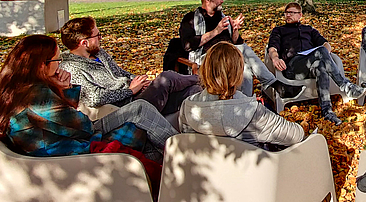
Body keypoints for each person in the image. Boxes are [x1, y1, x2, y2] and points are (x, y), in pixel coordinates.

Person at [0, 35, 178, 163]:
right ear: (42, 65)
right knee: (140, 119)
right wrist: (64, 88)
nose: (59, 65)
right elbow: (84, 127)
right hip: (71, 155)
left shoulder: (16, 89)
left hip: (65, 144)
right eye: (57, 60)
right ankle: (182, 154)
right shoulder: (36, 96)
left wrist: (61, 88)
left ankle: (167, 168)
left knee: (141, 114)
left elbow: (65, 122)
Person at [60, 17, 201, 116]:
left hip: (137, 93)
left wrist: (141, 82)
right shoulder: (72, 68)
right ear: (84, 43)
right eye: (97, 36)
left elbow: (121, 73)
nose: (100, 39)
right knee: (166, 78)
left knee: (194, 90)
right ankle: (202, 77)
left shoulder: (98, 53)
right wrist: (130, 91)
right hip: (125, 105)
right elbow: (94, 98)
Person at [180, 0, 301, 98]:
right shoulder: (191, 19)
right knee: (243, 49)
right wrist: (216, 31)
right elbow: (188, 45)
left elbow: (236, 42)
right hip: (207, 59)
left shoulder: (222, 17)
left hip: (229, 57)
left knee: (246, 69)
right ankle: (274, 84)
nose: (222, 1)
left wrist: (235, 30)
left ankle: (246, 104)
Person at [179, 42, 304, 148]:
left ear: (205, 71)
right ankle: (274, 84)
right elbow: (295, 135)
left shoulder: (187, 106)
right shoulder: (253, 111)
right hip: (250, 174)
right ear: (239, 74)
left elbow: (187, 143)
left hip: (205, 174)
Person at [267, 2, 366, 125]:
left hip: (310, 64)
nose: (288, 15)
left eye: (292, 13)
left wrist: (326, 57)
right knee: (320, 52)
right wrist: (275, 58)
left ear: (300, 15)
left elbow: (326, 45)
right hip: (293, 67)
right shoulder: (279, 30)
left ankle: (327, 112)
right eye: (287, 13)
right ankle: (345, 86)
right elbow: (272, 48)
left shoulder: (308, 30)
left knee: (321, 66)